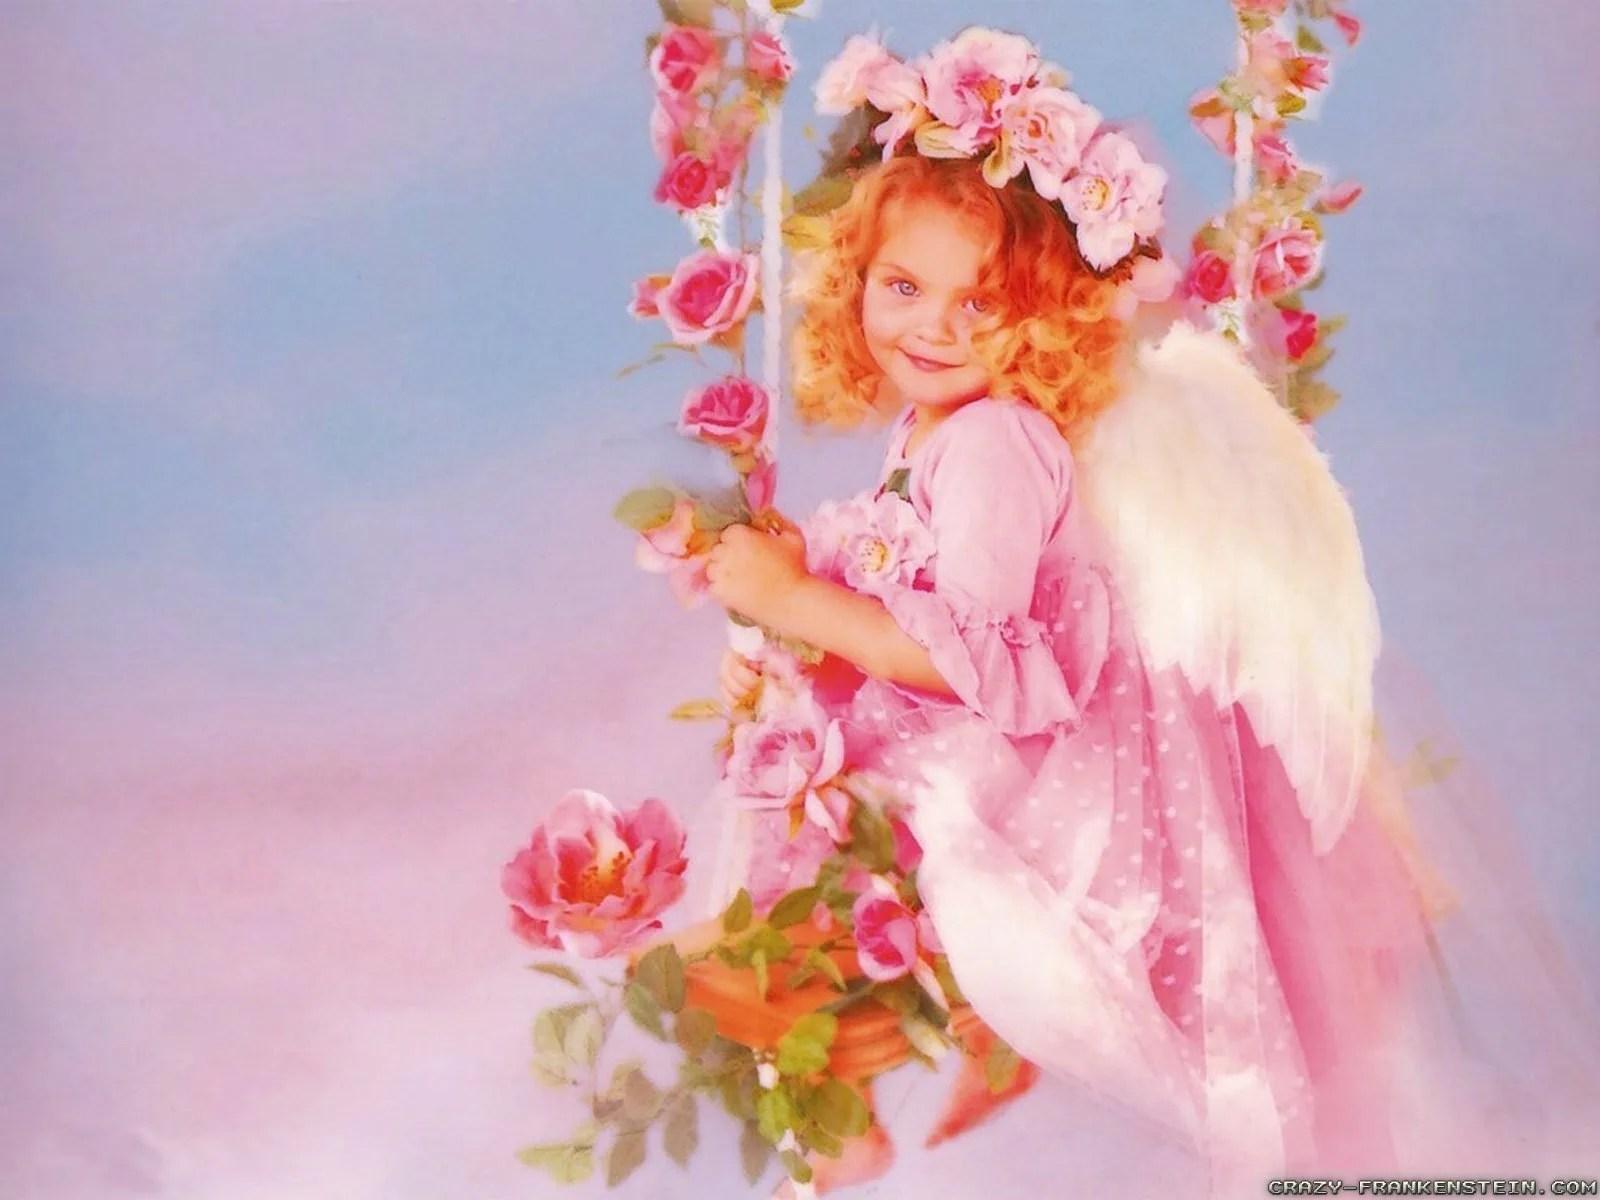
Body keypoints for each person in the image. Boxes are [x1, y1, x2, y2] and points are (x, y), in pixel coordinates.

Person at [687, 27, 1600, 1199]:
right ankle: (895, 1067)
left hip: (1041, 762)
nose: (934, 328)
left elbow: (961, 659)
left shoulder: (995, 443)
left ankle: (877, 1081)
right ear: (856, 280)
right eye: (903, 287)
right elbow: (909, 587)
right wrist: (799, 633)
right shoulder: (941, 427)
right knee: (803, 801)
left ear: (1042, 317)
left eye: (982, 302)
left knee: (835, 840)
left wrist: (794, 601)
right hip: (989, 723)